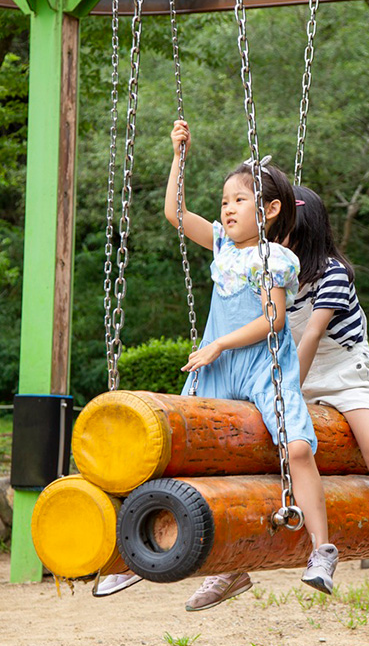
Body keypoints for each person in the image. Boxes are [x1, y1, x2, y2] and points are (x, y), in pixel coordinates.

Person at [96, 119, 338, 608]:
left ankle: (321, 550)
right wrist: (178, 157)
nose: (227, 209)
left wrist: (219, 344)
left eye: (239, 201)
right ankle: (136, 557)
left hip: (263, 366)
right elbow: (175, 212)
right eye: (225, 201)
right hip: (218, 369)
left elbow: (273, 320)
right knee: (183, 455)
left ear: (269, 211)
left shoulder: (277, 258)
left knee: (296, 450)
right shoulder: (223, 247)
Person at [284, 185, 369, 605]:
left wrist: (289, 392)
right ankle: (234, 567)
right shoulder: (274, 270)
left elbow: (312, 333)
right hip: (297, 371)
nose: (274, 237)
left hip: (345, 372)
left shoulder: (333, 272)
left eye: (282, 229)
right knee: (281, 453)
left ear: (303, 230)